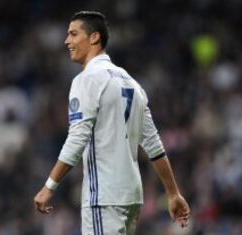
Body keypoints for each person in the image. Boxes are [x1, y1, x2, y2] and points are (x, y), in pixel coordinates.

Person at [34, 11, 190, 235]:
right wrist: (173, 193)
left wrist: (49, 186)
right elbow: (154, 145)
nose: (67, 41)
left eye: (73, 34)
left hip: (104, 196)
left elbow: (77, 138)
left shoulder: (86, 80)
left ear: (94, 37)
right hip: (132, 197)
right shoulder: (132, 84)